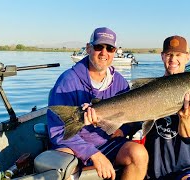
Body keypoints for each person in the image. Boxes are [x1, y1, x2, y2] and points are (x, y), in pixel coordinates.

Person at [47, 27, 148, 180]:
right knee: (63, 164)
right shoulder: (67, 80)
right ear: (88, 48)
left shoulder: (120, 82)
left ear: (115, 52)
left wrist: (123, 129)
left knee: (139, 154)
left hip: (108, 143)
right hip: (73, 145)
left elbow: (130, 117)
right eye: (99, 47)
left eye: (110, 48)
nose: (104, 53)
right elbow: (58, 132)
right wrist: (93, 154)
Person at [144, 35, 190, 180]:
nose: (173, 59)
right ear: (162, 56)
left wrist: (186, 117)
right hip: (152, 170)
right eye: (169, 55)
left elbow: (189, 137)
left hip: (186, 170)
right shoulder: (148, 90)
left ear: (187, 58)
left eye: (178, 55)